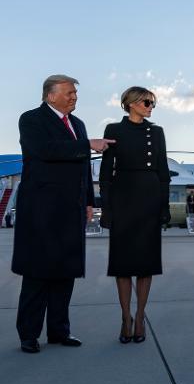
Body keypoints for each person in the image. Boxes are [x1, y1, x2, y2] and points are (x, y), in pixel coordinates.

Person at [12, 75, 114, 353]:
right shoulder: (31, 119)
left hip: (72, 209)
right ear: (50, 95)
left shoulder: (77, 124)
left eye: (75, 93)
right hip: (42, 211)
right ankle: (29, 335)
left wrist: (90, 201)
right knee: (37, 273)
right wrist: (87, 145)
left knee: (64, 272)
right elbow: (44, 151)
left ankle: (59, 332)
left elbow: (83, 167)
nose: (74, 97)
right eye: (69, 93)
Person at [99, 86, 170, 344]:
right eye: (146, 101)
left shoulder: (157, 132)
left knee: (145, 263)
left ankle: (140, 316)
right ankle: (125, 316)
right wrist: (106, 209)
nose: (150, 106)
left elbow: (163, 172)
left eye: (152, 102)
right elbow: (106, 173)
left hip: (149, 200)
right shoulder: (114, 130)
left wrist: (164, 207)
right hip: (123, 200)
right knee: (122, 265)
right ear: (130, 103)